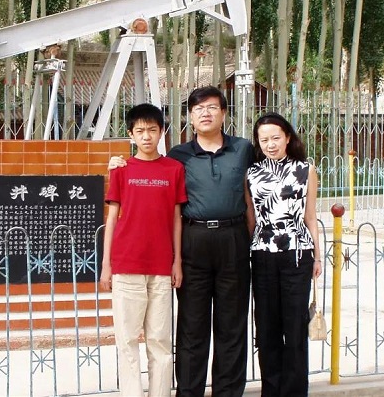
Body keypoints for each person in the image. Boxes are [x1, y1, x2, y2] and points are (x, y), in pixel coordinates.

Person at [109, 86, 255, 397]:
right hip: (194, 241)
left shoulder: (243, 149)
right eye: (198, 108)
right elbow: (147, 172)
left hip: (233, 238)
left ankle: (228, 392)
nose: (205, 113)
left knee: (232, 325)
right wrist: (116, 162)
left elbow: (258, 184)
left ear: (224, 112)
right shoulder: (178, 156)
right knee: (192, 324)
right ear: (190, 116)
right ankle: (189, 392)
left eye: (212, 107)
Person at [100, 103, 187, 397]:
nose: (146, 136)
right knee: (126, 341)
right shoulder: (121, 170)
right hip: (126, 265)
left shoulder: (174, 169)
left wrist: (177, 261)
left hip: (161, 267)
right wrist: (107, 265)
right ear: (131, 134)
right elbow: (112, 218)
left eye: (152, 130)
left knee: (160, 341)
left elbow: (176, 218)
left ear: (161, 132)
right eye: (140, 131)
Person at [245, 112, 322, 397]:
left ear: (288, 137)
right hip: (262, 254)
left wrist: (317, 256)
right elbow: (251, 218)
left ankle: (295, 391)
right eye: (264, 139)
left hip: (297, 255)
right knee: (267, 328)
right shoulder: (251, 173)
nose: (271, 144)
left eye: (276, 138)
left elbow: (311, 216)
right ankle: (271, 390)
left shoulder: (305, 169)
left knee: (295, 327)